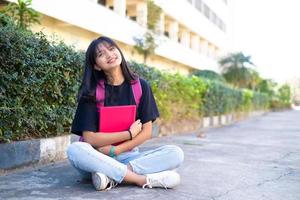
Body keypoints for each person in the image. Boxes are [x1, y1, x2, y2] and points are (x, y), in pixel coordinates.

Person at [67, 36, 184, 191]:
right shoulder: (92, 91)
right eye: (101, 54)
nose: (109, 54)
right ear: (96, 65)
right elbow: (90, 138)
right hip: (96, 157)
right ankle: (139, 179)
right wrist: (128, 134)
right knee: (75, 149)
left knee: (175, 153)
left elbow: (146, 132)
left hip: (129, 156)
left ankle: (110, 176)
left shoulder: (141, 86)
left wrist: (117, 150)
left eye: (111, 48)